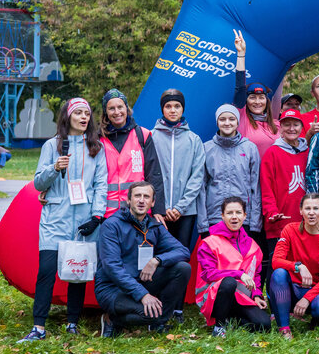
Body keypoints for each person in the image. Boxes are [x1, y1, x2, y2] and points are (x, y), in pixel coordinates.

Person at [19, 97, 109, 342]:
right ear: (67, 116)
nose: (83, 117)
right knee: (46, 272)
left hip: (84, 221)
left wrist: (97, 216)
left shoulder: (96, 148)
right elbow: (39, 183)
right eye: (78, 113)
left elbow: (102, 185)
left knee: (77, 273)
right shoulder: (51, 146)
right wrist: (54, 168)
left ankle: (72, 322)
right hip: (55, 219)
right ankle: (38, 327)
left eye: (87, 114)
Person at [94, 181, 191, 336]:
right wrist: (143, 295)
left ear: (152, 202)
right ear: (128, 200)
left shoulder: (154, 226)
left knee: (183, 268)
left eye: (146, 197)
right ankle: (111, 320)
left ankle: (157, 322)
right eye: (137, 196)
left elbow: (183, 252)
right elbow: (112, 267)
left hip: (142, 281)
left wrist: (156, 260)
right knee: (152, 315)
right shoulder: (111, 225)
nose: (141, 200)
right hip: (112, 288)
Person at [194, 198, 270, 336]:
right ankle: (219, 327)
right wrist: (238, 274)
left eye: (238, 212)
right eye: (229, 213)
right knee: (228, 282)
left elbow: (256, 274)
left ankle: (232, 321)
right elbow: (208, 274)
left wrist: (257, 295)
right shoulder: (209, 243)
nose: (234, 217)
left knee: (264, 325)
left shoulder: (253, 245)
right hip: (214, 297)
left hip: (241, 297)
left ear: (245, 216)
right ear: (222, 216)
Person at [268, 192, 319, 336]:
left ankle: (315, 321)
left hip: (315, 291)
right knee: (279, 273)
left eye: (316, 208)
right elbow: (276, 261)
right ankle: (284, 328)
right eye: (307, 208)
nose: (311, 213)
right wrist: (298, 266)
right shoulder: (290, 230)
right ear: (300, 211)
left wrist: (307, 298)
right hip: (291, 289)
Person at [151, 89, 206, 252]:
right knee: (158, 256)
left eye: (177, 106)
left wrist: (180, 207)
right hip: (159, 211)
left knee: (181, 256)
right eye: (168, 106)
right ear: (162, 109)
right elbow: (148, 174)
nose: (173, 110)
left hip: (186, 212)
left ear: (182, 109)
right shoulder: (151, 137)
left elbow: (197, 176)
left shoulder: (194, 140)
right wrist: (161, 206)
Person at [196, 105, 261, 241]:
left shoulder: (249, 148)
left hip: (243, 218)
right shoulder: (207, 148)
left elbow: (256, 187)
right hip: (215, 216)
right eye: (222, 119)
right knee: (216, 259)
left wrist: (255, 223)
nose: (227, 123)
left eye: (231, 119)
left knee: (240, 259)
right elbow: (201, 188)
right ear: (217, 122)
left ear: (237, 122)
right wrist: (203, 224)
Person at [99, 89, 163, 218]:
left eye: (120, 107)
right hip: (106, 214)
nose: (117, 112)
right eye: (111, 108)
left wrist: (158, 210)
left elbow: (154, 174)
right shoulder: (98, 139)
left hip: (138, 213)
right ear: (105, 112)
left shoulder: (143, 135)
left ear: (126, 108)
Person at [260, 109, 310, 267]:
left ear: (302, 127)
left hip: (306, 222)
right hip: (280, 222)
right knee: (278, 267)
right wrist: (271, 213)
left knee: (304, 266)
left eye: (295, 124)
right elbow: (266, 188)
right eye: (287, 125)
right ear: (280, 128)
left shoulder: (308, 152)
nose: (291, 128)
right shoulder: (272, 153)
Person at [231, 31, 278, 157]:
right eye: (252, 97)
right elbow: (240, 87)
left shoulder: (275, 124)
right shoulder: (242, 119)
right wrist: (241, 54)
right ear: (246, 101)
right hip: (248, 175)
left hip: (270, 176)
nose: (257, 102)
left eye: (261, 98)